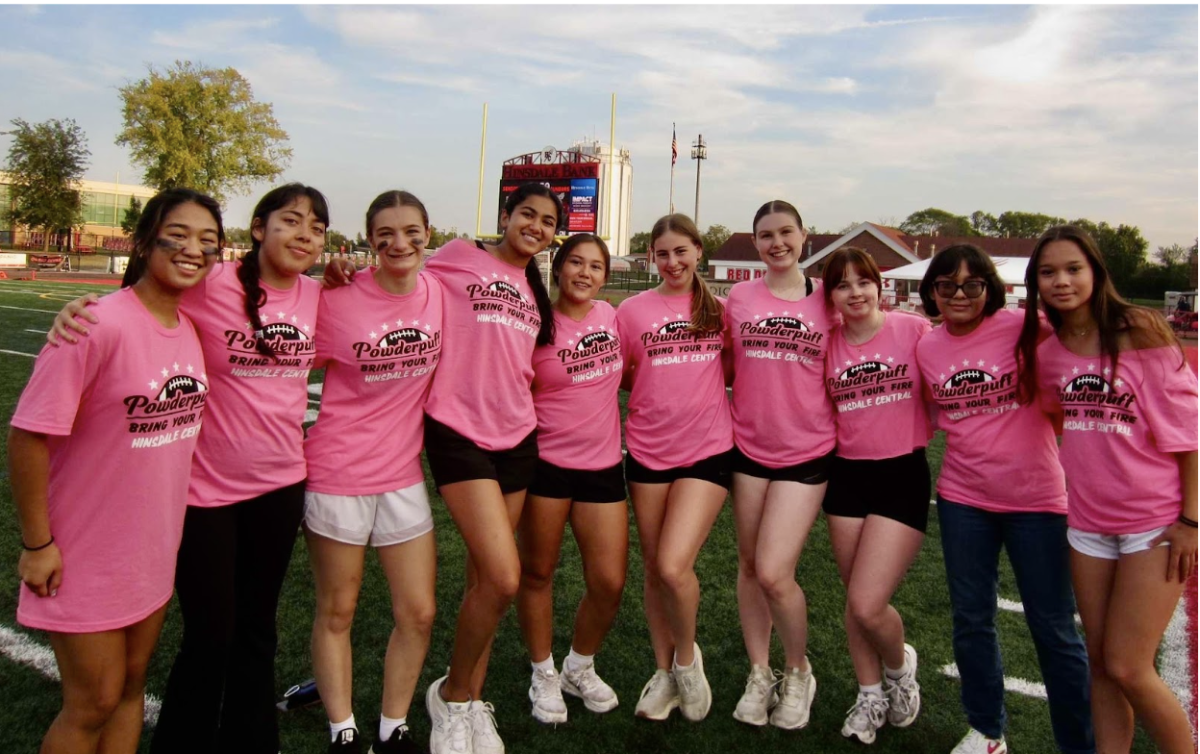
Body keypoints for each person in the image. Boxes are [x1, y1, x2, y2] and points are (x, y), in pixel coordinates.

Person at [49, 183, 330, 754]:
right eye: (291, 221)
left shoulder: (319, 295)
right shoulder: (212, 282)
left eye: (317, 228)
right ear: (257, 228)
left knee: (257, 631)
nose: (305, 235)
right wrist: (79, 310)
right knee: (209, 634)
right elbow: (144, 304)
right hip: (205, 492)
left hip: (279, 485)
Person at [12, 188, 221, 754]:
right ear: (146, 238)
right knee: (92, 702)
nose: (193, 248)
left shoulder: (191, 329)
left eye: (208, 239)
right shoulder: (94, 325)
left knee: (130, 690)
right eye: (179, 233)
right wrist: (38, 543)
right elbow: (28, 436)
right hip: (82, 552)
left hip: (150, 551)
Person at [1016, 225, 1197, 754]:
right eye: (1048, 272)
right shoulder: (1050, 351)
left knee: (1129, 665)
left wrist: (1191, 522)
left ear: (1096, 271)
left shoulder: (1141, 331)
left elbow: (1189, 437)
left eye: (1073, 268)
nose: (1061, 281)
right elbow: (1056, 416)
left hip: (1156, 525)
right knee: (1100, 664)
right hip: (1088, 525)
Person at [914, 245, 1094, 754]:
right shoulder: (928, 347)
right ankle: (987, 731)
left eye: (972, 284)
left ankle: (1079, 744)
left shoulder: (1026, 326)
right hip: (963, 499)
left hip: (1038, 501)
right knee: (971, 618)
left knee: (1054, 628)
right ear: (931, 291)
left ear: (991, 288)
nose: (959, 295)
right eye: (946, 285)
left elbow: (1076, 363)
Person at [417, 183, 557, 754]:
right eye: (528, 214)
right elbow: (402, 279)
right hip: (458, 432)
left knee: (485, 583)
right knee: (504, 575)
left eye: (548, 222)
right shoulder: (457, 256)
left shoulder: (533, 287)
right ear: (505, 215)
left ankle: (472, 700)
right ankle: (450, 696)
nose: (537, 226)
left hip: (518, 438)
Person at [304, 191, 442, 753]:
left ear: (428, 234)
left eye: (410, 230)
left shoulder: (440, 291)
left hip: (403, 474)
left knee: (419, 610)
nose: (398, 242)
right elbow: (275, 343)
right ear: (368, 239)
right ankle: (343, 728)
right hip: (337, 471)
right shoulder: (335, 298)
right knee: (338, 608)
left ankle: (393, 723)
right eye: (384, 233)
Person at [617, 213, 733, 723]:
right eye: (662, 254)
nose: (672, 262)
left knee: (672, 565)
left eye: (681, 251)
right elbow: (620, 374)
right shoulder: (632, 310)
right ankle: (662, 675)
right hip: (646, 451)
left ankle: (688, 662)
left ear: (698, 252)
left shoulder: (720, 310)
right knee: (653, 569)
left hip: (707, 451)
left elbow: (729, 369)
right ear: (651, 258)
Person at [724, 200, 832, 731]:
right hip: (747, 449)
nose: (776, 243)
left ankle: (797, 670)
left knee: (773, 570)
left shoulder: (828, 301)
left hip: (806, 452)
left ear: (803, 235)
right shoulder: (740, 297)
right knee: (748, 566)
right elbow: (722, 361)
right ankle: (760, 671)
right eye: (765, 235)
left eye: (785, 232)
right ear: (756, 242)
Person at [515, 233, 628, 726]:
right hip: (546, 467)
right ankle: (542, 671)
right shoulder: (534, 325)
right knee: (537, 574)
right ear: (557, 269)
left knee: (608, 581)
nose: (585, 273)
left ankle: (578, 666)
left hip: (603, 465)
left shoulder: (611, 317)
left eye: (596, 266)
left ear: (606, 276)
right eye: (575, 263)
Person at [821, 248, 929, 744]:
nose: (856, 292)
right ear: (831, 295)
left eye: (863, 281)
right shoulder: (827, 344)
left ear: (878, 285)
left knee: (868, 603)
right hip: (846, 477)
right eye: (843, 285)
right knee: (854, 599)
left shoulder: (913, 331)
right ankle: (869, 694)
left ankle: (898, 666)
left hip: (901, 473)